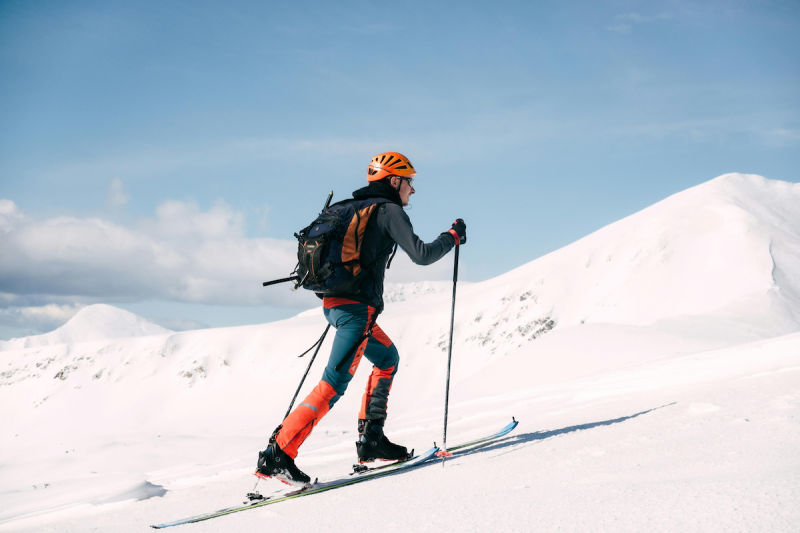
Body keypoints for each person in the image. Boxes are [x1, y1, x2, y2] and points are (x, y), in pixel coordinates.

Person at [256, 152, 467, 485]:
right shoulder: (388, 211)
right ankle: (278, 455)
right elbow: (422, 254)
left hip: (334, 304)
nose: (412, 189)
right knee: (332, 384)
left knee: (387, 358)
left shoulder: (348, 207)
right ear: (394, 181)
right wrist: (452, 237)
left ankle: (372, 440)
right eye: (409, 181)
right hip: (356, 312)